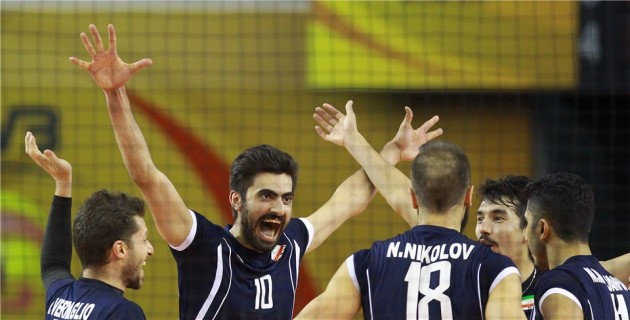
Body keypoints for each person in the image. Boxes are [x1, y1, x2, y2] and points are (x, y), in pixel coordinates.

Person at [69, 24, 444, 319]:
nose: (279, 207)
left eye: (285, 198)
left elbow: (349, 200)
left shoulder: (291, 244)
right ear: (237, 200)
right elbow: (146, 174)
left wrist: (391, 151)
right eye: (266, 196)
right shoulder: (204, 248)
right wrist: (115, 96)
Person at [296, 102, 525, 319]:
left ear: (414, 197)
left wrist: (356, 140)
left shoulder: (365, 264)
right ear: (468, 195)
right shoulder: (495, 270)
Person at [26, 131, 154, 319]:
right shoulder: (122, 312)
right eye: (143, 240)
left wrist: (63, 183)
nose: (150, 249)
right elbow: (52, 265)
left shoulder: (60, 297)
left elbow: (53, 264)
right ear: (120, 249)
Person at [476, 175, 630, 318]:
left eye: (498, 218)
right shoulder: (612, 283)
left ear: (541, 229)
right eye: (480, 219)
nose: (483, 228)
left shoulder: (557, 283)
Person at [524, 172, 630, 319]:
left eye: (526, 223)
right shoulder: (617, 286)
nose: (524, 235)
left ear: (542, 229)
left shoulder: (558, 283)